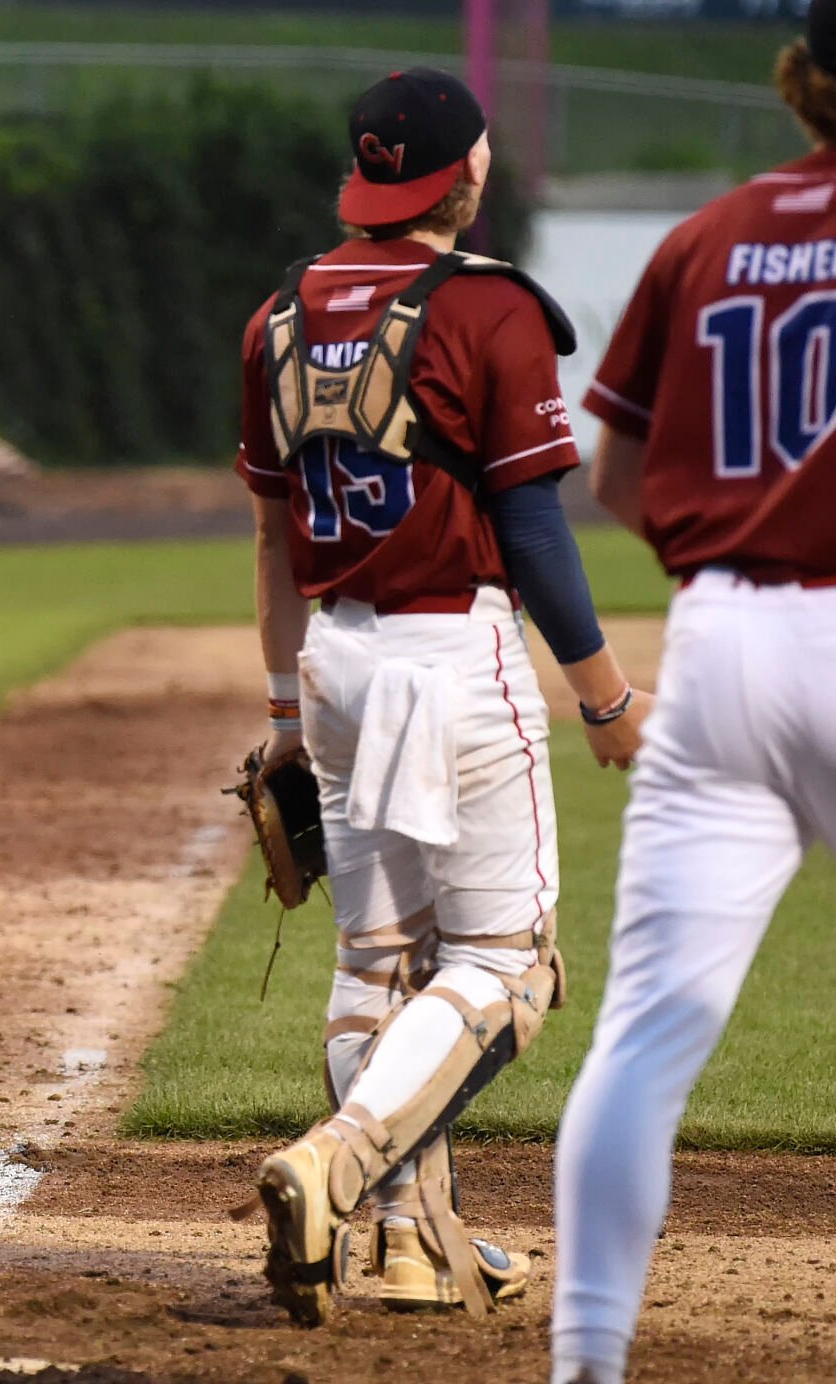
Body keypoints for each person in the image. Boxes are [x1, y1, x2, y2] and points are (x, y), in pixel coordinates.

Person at [236, 67, 651, 1326]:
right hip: (452, 663)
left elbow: (268, 540)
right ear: (465, 175)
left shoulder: (276, 318)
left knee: (377, 969)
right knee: (506, 971)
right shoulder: (486, 308)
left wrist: (280, 718)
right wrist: (604, 696)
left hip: (336, 666)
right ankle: (335, 1164)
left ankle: (416, 1251)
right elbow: (531, 529)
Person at [551, 9, 836, 1380]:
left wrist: (721, 574)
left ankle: (586, 1358)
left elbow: (610, 475)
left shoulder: (708, 235)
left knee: (645, 1036)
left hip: (716, 640)